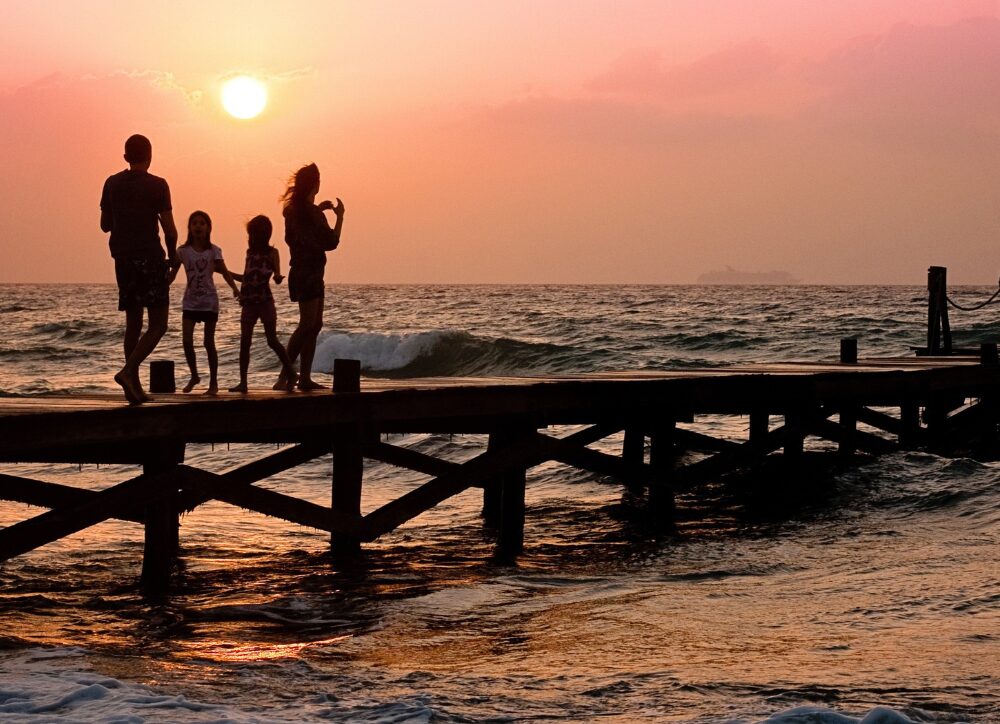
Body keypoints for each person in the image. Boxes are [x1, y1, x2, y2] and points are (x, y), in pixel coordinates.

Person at [100, 134, 178, 404]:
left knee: (133, 323)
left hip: (122, 260)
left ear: (125, 157)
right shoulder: (158, 185)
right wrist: (173, 258)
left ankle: (133, 388)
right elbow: (170, 230)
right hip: (150, 259)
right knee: (158, 324)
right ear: (150, 155)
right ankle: (128, 371)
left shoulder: (111, 183)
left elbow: (104, 225)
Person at [275, 163, 345, 391]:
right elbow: (331, 242)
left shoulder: (294, 211)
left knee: (314, 324)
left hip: (302, 272)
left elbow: (304, 231)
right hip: (310, 273)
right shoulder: (310, 214)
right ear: (314, 184)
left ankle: (303, 377)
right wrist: (340, 217)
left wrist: (319, 210)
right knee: (307, 324)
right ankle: (285, 376)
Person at [168, 210, 240, 394]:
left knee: (209, 342)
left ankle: (213, 383)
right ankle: (194, 375)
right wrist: (161, 286)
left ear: (208, 228)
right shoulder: (182, 251)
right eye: (194, 223)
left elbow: (224, 272)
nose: (198, 226)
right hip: (190, 302)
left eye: (202, 223)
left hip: (209, 302)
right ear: (189, 228)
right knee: (186, 340)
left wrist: (235, 289)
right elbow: (172, 274)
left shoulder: (213, 250)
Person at [228, 215, 296, 393]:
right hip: (248, 302)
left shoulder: (272, 253)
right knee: (245, 342)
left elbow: (277, 275)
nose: (250, 238)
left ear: (264, 235)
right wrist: (225, 273)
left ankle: (291, 372)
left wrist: (278, 277)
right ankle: (243, 382)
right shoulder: (249, 253)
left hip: (265, 301)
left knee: (272, 340)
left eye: (253, 234)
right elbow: (246, 278)